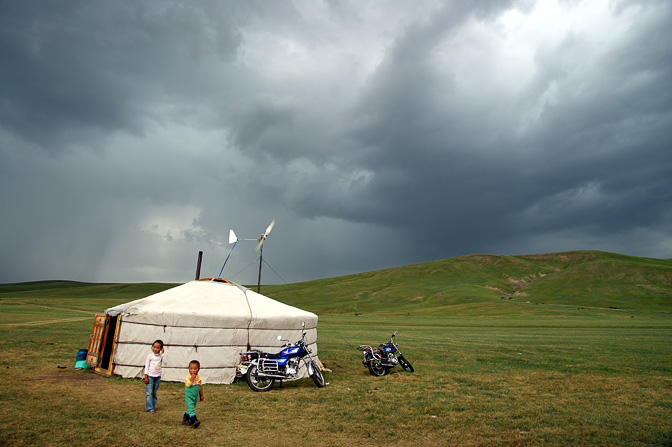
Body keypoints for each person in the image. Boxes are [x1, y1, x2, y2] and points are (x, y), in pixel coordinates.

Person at [143, 339, 165, 413]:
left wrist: (163, 354)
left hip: (157, 377)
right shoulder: (150, 356)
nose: (155, 349)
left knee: (154, 392)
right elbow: (146, 366)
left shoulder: (160, 356)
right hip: (150, 376)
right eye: (154, 347)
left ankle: (153, 406)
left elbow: (165, 363)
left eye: (157, 347)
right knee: (149, 392)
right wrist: (146, 376)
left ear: (161, 348)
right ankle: (149, 407)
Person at [183, 360, 204, 428]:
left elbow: (200, 387)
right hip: (189, 396)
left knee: (191, 408)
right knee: (191, 408)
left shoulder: (199, 378)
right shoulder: (188, 377)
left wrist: (201, 395)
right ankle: (194, 420)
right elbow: (188, 385)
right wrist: (192, 378)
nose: (193, 371)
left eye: (195, 369)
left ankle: (185, 419)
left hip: (195, 396)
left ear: (198, 369)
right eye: (191, 369)